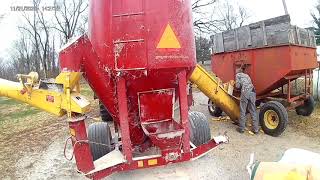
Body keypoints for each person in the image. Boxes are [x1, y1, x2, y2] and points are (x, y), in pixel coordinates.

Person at [235, 66, 259, 134]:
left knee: (243, 110)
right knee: (253, 111)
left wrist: (236, 84)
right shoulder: (247, 75)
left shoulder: (238, 75)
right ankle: (256, 129)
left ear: (238, 72)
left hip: (245, 92)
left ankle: (241, 128)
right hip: (253, 92)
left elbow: (237, 86)